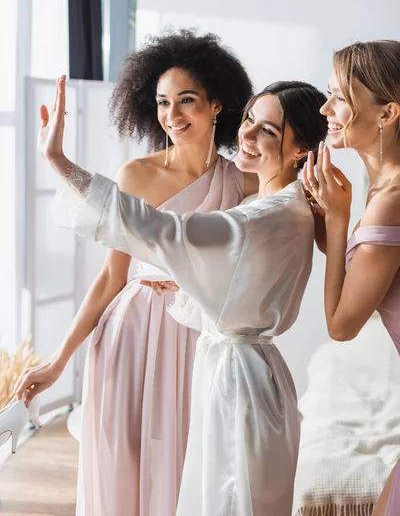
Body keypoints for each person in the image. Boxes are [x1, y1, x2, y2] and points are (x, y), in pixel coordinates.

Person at [36, 75, 327, 515]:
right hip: (216, 362)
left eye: (267, 130)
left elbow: (165, 231)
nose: (246, 135)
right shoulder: (287, 205)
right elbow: (130, 267)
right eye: (249, 120)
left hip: (233, 375)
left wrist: (58, 161)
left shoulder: (267, 214)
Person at [14, 31, 257, 516]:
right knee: (122, 456)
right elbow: (110, 279)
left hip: (201, 335)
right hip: (133, 331)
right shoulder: (137, 175)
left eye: (186, 101)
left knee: (191, 463)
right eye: (163, 103)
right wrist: (60, 361)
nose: (172, 115)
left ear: (216, 105)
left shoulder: (246, 182)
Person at [302, 40, 400, 516]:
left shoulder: (391, 198)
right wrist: (326, 218)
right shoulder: (380, 183)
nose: (326, 109)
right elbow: (363, 265)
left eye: (340, 97)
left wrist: (337, 220)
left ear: (386, 114)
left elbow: (340, 326)